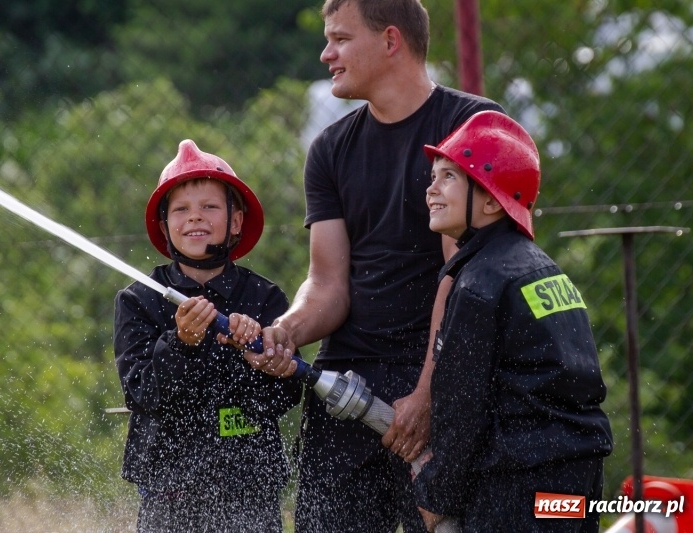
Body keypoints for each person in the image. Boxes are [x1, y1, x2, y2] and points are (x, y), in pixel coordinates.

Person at [253, 0, 505, 531]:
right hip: (345, 387)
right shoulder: (329, 149)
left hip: (441, 386)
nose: (326, 55)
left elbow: (467, 282)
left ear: (391, 41)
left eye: (340, 39)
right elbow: (327, 285)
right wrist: (286, 331)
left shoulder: (472, 126)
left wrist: (427, 393)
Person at [413, 110, 613, 532]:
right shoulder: (545, 270)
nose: (431, 189)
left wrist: (436, 494)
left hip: (518, 489)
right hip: (576, 486)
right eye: (434, 176)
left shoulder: (479, 283)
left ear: (489, 199)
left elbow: (461, 405)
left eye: (449, 176)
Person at [113, 139, 303, 533]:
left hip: (249, 485)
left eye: (209, 207)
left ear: (235, 222)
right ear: (165, 226)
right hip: (169, 487)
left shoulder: (265, 299)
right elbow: (141, 392)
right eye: (181, 210)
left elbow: (286, 394)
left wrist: (260, 359)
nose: (194, 218)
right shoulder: (138, 300)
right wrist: (181, 342)